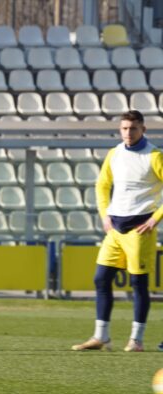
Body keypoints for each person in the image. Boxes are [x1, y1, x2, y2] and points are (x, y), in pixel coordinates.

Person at [72, 110, 163, 352]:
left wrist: (156, 218)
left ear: (143, 129)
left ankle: (136, 340)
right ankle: (101, 337)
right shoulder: (115, 153)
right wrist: (105, 215)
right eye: (124, 128)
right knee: (101, 279)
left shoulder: (154, 156)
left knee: (138, 283)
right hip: (115, 229)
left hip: (140, 229)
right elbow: (102, 185)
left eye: (132, 128)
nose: (128, 133)